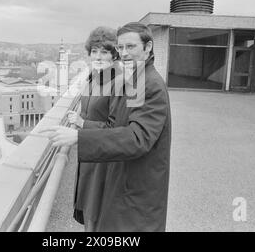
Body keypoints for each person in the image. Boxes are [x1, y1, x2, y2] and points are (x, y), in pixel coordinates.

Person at [39, 22, 172, 232]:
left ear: (147, 48)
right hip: (122, 177)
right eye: (121, 47)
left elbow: (138, 137)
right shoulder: (135, 79)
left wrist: (79, 135)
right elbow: (119, 124)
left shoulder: (149, 84)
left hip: (135, 187)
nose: (125, 53)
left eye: (131, 47)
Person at [69, 26, 118, 231]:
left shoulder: (118, 81)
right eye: (95, 51)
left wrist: (82, 123)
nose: (98, 56)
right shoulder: (93, 78)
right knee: (89, 209)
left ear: (114, 54)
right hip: (89, 151)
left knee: (98, 212)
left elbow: (117, 127)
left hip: (103, 158)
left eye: (104, 51)